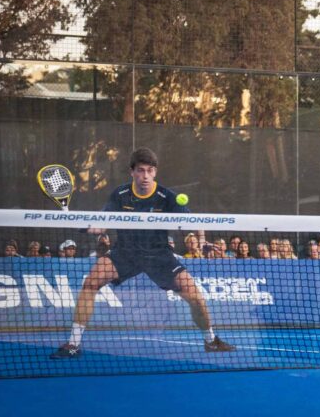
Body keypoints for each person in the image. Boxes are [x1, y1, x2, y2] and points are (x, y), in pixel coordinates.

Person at [50, 147, 234, 359]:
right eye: (140, 170)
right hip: (125, 253)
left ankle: (210, 341)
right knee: (90, 283)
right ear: (132, 172)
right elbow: (100, 226)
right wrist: (78, 224)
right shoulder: (120, 195)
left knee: (196, 298)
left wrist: (201, 241)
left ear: (155, 172)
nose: (145, 176)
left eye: (150, 170)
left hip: (159, 256)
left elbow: (194, 221)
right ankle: (73, 344)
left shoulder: (167, 197)